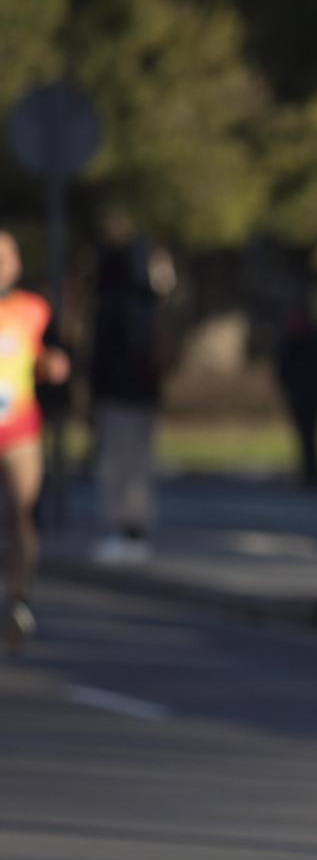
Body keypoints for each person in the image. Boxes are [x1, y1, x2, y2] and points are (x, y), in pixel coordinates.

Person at [0, 230, 71, 653]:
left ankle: (19, 600)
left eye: (7, 255)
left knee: (24, 511)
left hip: (19, 427)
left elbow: (55, 357)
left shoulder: (34, 309)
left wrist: (55, 366)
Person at [88, 223, 164, 565]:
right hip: (144, 394)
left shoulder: (109, 306)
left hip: (117, 394)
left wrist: (92, 396)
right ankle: (135, 529)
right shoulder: (147, 303)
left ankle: (123, 530)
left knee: (117, 466)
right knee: (139, 464)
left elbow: (101, 356)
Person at [276, 306, 317, 490]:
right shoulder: (290, 341)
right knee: (303, 433)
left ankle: (313, 470)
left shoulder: (313, 340)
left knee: (311, 432)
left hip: (312, 392)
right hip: (298, 393)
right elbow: (282, 367)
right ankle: (308, 469)